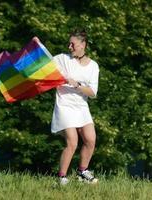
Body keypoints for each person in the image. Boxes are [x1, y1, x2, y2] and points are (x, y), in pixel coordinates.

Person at [51, 28, 100, 185]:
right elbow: (43, 64)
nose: (69, 47)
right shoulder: (62, 59)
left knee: (91, 140)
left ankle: (82, 172)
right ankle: (61, 177)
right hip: (64, 105)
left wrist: (77, 84)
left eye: (73, 44)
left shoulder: (93, 66)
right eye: (69, 44)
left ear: (83, 44)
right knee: (72, 142)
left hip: (81, 106)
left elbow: (92, 92)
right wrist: (38, 46)